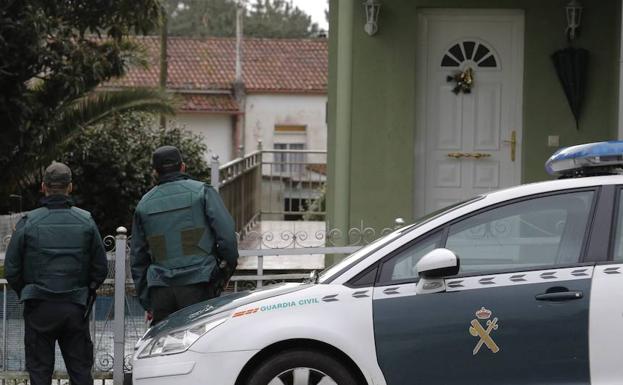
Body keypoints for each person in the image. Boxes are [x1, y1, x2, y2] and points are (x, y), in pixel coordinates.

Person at [4, 162, 108, 385]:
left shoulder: (28, 222)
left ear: (43, 187)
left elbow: (12, 268)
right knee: (80, 372)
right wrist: (86, 293)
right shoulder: (86, 220)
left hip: (39, 306)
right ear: (70, 187)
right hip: (75, 306)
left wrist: (27, 291)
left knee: (40, 372)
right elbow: (100, 268)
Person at [130, 145, 238, 325]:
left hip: (161, 290)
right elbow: (227, 239)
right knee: (201, 344)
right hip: (200, 285)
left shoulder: (144, 204)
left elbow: (138, 259)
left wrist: (147, 302)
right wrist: (224, 273)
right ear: (183, 166)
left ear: (155, 172)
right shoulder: (202, 192)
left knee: (165, 348)